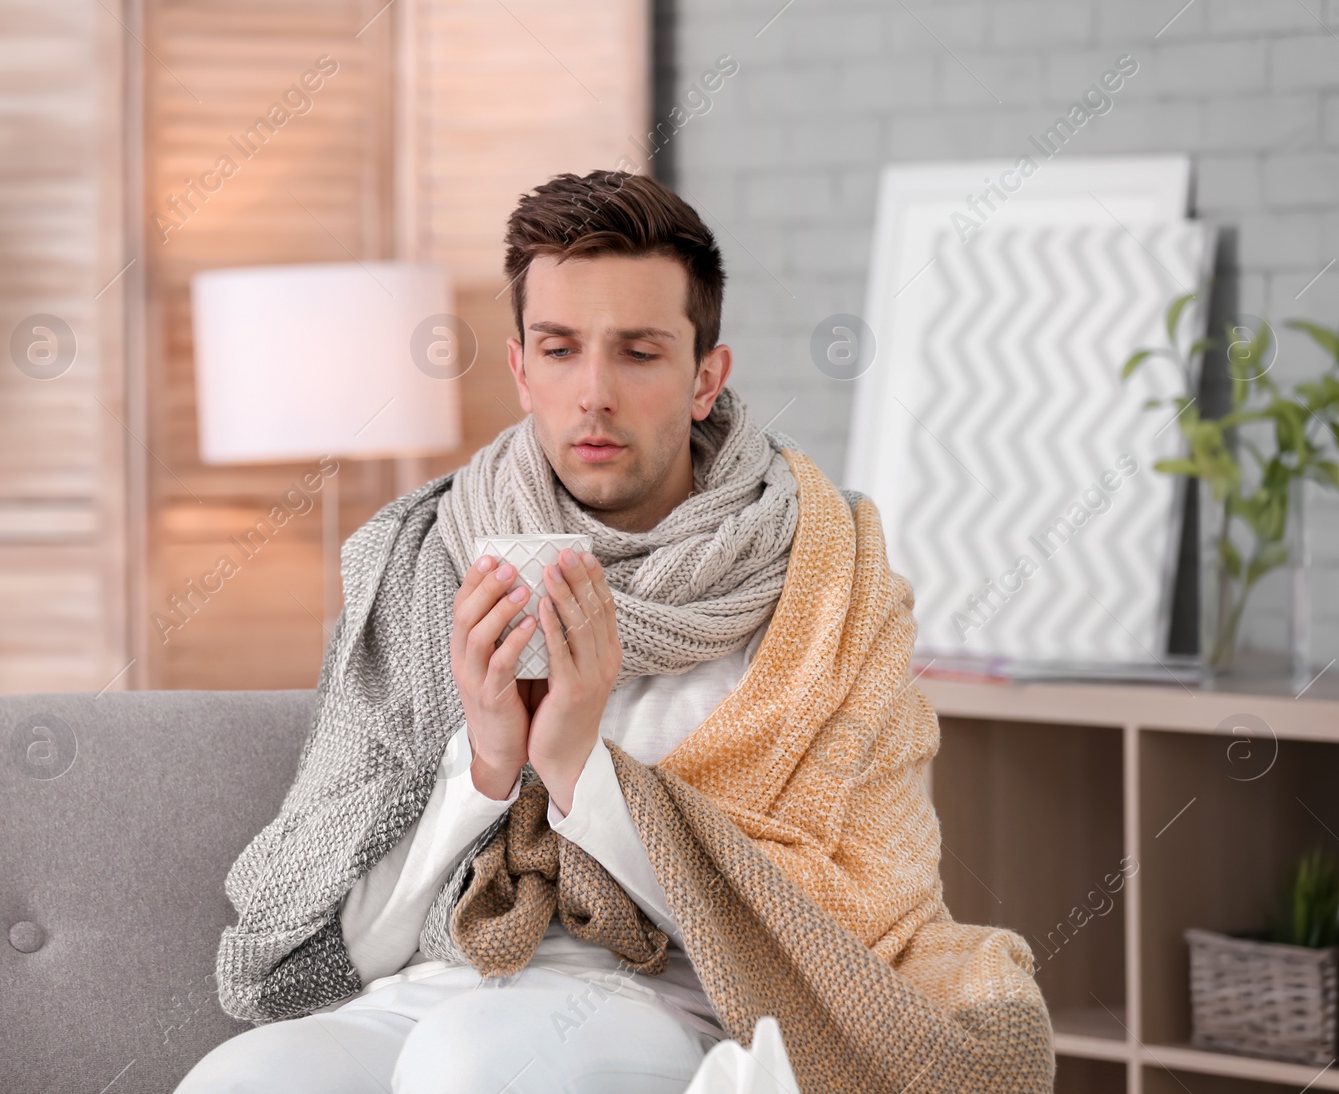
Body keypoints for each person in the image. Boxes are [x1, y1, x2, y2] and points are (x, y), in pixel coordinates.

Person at [174, 169, 1052, 1094]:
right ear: (520, 370)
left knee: (473, 1065)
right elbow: (350, 939)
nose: (593, 393)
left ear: (706, 377)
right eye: (560, 350)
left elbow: (861, 916)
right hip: (431, 983)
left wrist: (580, 767)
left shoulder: (825, 582)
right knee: (240, 1080)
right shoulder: (426, 561)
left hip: (670, 999)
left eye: (638, 352)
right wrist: (485, 763)